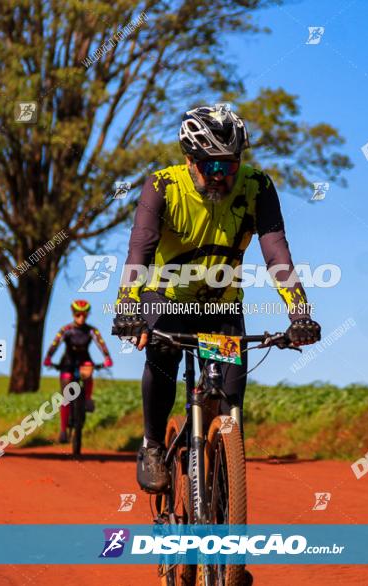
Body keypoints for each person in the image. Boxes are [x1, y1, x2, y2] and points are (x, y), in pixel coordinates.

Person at [112, 104, 322, 494]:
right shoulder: (162, 186)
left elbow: (276, 252)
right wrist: (127, 307)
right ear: (190, 160)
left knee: (230, 404)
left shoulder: (257, 186)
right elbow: (140, 248)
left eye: (230, 165)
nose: (222, 176)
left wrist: (300, 313)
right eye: (211, 167)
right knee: (163, 355)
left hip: (221, 305)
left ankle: (223, 485)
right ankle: (154, 446)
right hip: (167, 298)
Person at [43, 299, 113, 443]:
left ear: (87, 315)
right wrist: (49, 357)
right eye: (78, 314)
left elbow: (101, 343)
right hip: (67, 362)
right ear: (73, 314)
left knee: (88, 370)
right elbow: (55, 343)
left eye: (84, 315)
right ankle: (63, 430)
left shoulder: (92, 330)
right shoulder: (66, 330)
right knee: (66, 395)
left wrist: (107, 357)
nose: (81, 317)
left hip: (84, 361)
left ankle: (87, 398)